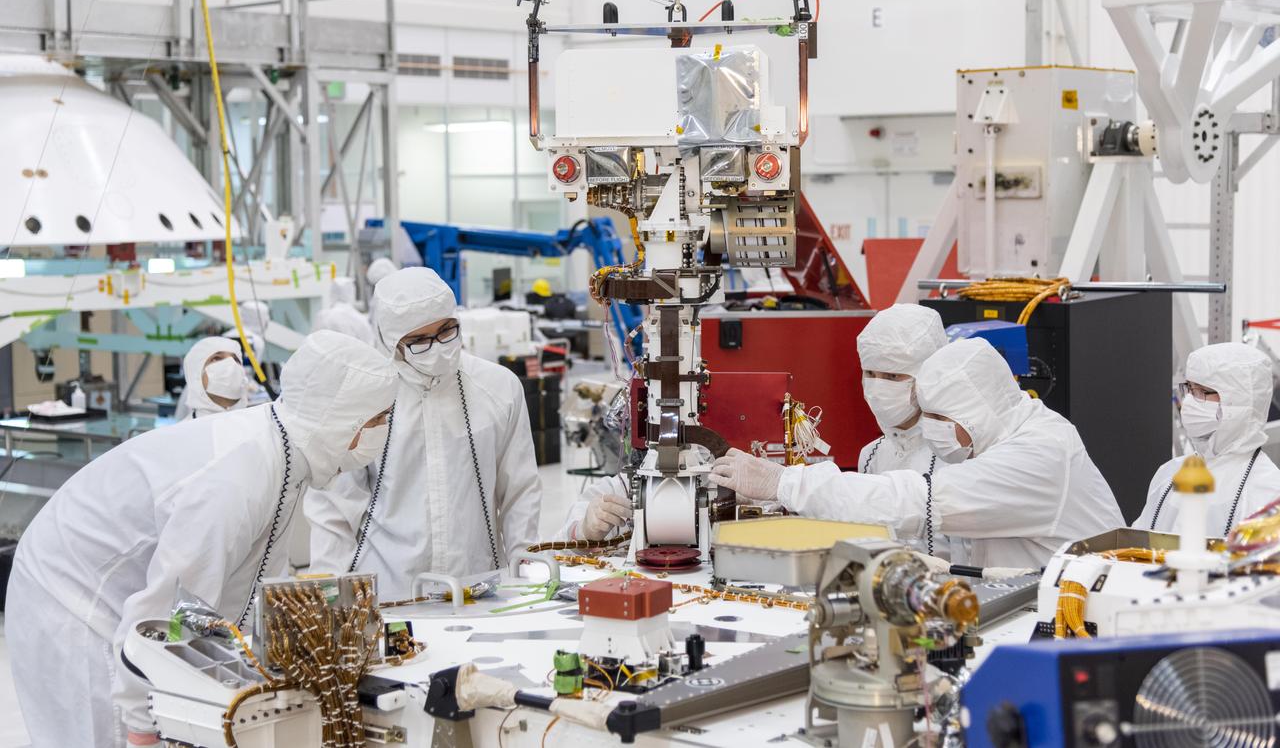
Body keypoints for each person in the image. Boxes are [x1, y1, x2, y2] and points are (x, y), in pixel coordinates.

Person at [4, 331, 397, 748]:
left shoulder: (285, 456)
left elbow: (251, 584)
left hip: (114, 597)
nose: (383, 431)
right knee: (109, 737)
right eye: (377, 420)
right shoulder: (236, 477)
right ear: (340, 420)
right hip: (72, 599)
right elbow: (166, 613)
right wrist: (145, 722)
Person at [554, 303, 951, 549]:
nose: (879, 387)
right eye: (871, 374)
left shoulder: (953, 454)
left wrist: (780, 484)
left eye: (894, 377)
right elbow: (602, 501)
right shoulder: (875, 453)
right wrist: (584, 525)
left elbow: (894, 504)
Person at [710, 337, 1124, 568]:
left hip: (1071, 622)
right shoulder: (993, 437)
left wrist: (783, 482)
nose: (931, 431)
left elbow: (914, 501)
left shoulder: (1039, 453)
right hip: (1017, 603)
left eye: (940, 418)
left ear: (976, 411)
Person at [305, 267, 540, 599]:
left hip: (477, 587)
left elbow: (520, 492)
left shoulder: (498, 388)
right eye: (418, 341)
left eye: (447, 330)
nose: (439, 347)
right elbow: (335, 509)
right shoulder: (364, 399)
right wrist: (328, 595)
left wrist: (524, 576)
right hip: (388, 591)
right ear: (391, 342)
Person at [1134, 342, 1280, 536]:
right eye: (1190, 389)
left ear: (1239, 402)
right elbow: (1135, 547)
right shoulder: (1168, 475)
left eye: (1203, 392)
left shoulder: (1268, 494)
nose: (1189, 402)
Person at [171, 336, 248, 421]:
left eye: (236, 360)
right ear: (196, 375)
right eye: (216, 358)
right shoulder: (179, 432)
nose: (231, 365)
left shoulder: (257, 429)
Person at [312, 276, 374, 346]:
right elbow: (370, 346)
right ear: (352, 292)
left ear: (332, 292)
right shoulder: (359, 319)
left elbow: (314, 343)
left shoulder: (322, 317)